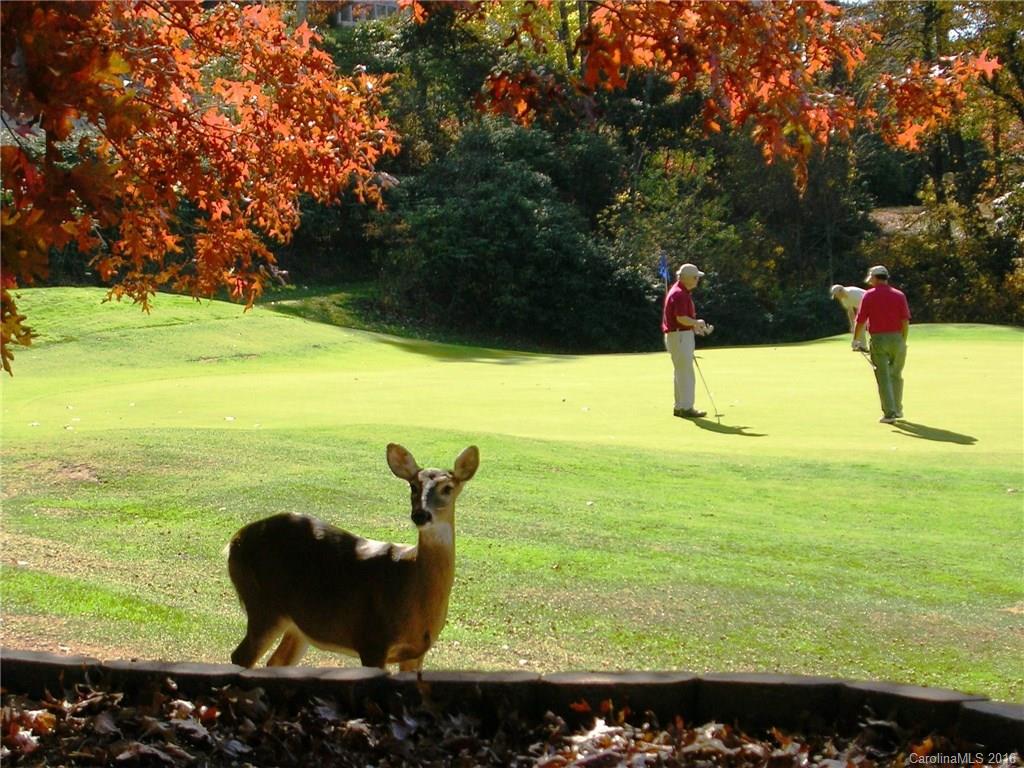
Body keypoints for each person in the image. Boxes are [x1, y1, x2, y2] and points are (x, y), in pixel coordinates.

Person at [852, 265, 911, 424]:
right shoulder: (899, 295)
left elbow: (861, 320)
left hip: (879, 340)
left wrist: (856, 340)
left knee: (883, 377)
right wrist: (902, 340)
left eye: (871, 278)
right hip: (898, 339)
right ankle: (898, 409)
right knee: (896, 375)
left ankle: (890, 414)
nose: (870, 280)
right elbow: (905, 321)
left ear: (876, 278)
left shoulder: (869, 296)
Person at [662, 263, 713, 419]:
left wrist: (694, 326)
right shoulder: (680, 294)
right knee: (686, 373)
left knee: (681, 372)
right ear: (687, 278)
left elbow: (682, 319)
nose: (697, 280)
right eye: (696, 277)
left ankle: (680, 406)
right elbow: (681, 318)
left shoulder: (680, 292)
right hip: (680, 336)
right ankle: (686, 407)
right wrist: (696, 323)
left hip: (678, 335)